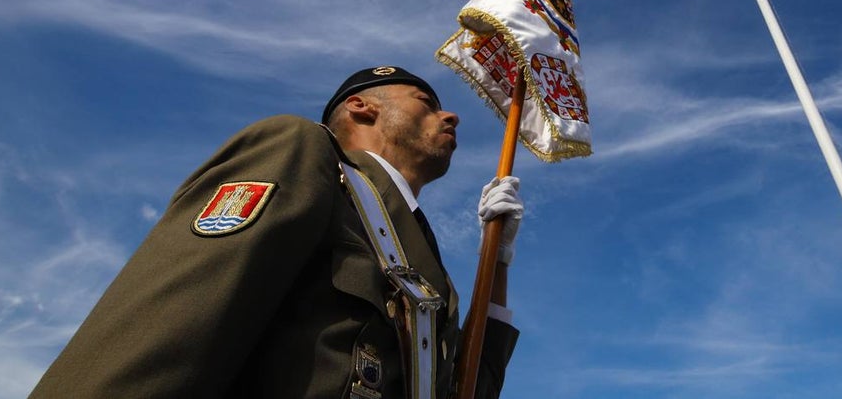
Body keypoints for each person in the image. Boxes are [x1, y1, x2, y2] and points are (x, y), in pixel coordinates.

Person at [29, 66, 523, 399]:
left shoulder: (426, 263)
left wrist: (497, 259)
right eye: (425, 101)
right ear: (362, 108)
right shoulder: (303, 153)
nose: (450, 114)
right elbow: (170, 331)